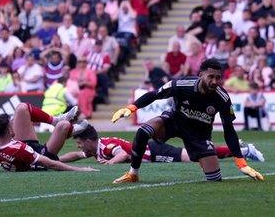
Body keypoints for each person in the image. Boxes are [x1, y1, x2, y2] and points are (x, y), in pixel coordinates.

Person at [110, 59, 264, 183]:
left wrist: (241, 162)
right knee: (143, 131)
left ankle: (243, 152)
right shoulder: (181, 85)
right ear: (201, 75)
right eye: (211, 76)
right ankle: (133, 174)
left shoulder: (222, 98)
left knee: (214, 180)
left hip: (199, 135)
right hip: (174, 121)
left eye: (218, 77)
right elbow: (155, 94)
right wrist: (131, 108)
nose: (215, 81)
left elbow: (229, 130)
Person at [0, 78, 96, 172]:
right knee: (63, 126)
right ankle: (69, 129)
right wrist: (80, 170)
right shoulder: (19, 150)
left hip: (22, 148)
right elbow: (49, 163)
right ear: (9, 130)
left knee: (21, 108)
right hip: (40, 157)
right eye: (11, 123)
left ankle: (55, 120)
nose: (14, 123)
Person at [60, 124, 265, 164]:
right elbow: (75, 156)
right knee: (197, 154)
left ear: (88, 141)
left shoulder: (105, 147)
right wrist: (54, 160)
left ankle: (244, 150)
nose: (79, 147)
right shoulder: (94, 149)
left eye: (79, 143)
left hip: (155, 152)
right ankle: (238, 148)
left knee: (195, 156)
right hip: (152, 152)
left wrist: (110, 163)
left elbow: (122, 154)